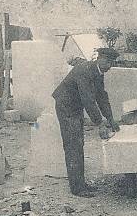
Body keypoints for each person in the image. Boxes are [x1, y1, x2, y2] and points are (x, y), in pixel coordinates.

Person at [52, 47, 121, 197]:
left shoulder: (98, 72)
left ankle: (80, 183)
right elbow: (88, 100)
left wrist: (110, 118)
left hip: (75, 106)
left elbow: (101, 96)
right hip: (66, 106)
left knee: (78, 143)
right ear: (99, 58)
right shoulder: (84, 70)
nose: (110, 66)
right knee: (73, 144)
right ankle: (77, 188)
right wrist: (100, 123)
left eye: (112, 63)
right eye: (108, 62)